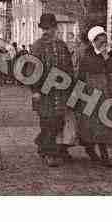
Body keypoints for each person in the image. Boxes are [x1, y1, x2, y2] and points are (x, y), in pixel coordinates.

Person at [29, 14, 74, 167]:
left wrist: (70, 87)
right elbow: (31, 70)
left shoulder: (62, 45)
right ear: (42, 29)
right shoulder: (37, 46)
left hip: (60, 90)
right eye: (45, 28)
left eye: (50, 28)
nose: (48, 31)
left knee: (58, 121)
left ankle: (43, 144)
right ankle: (49, 152)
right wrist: (35, 90)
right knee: (46, 121)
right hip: (43, 91)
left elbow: (69, 68)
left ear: (55, 28)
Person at [76, 26, 112, 167]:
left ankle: (104, 156)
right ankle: (91, 150)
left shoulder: (109, 54)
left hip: (105, 93)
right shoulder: (87, 55)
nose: (104, 44)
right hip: (90, 94)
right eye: (101, 41)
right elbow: (81, 76)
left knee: (104, 125)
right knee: (90, 126)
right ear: (94, 41)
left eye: (105, 41)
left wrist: (106, 56)